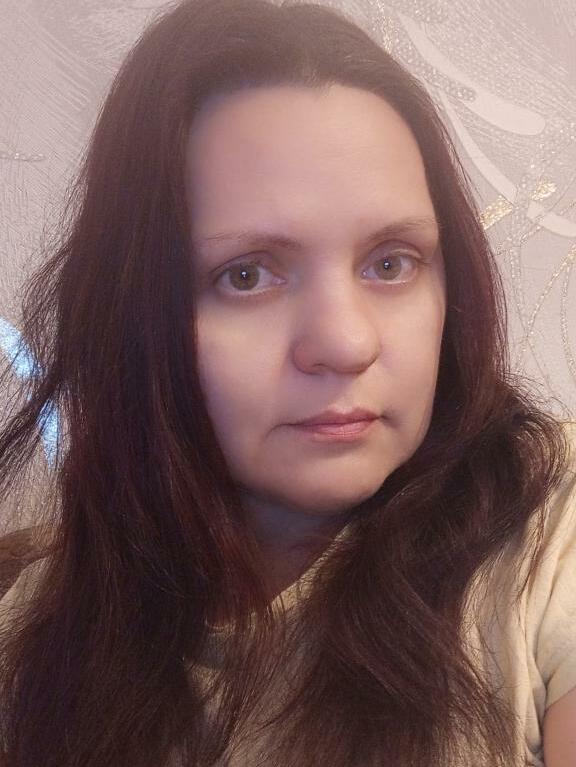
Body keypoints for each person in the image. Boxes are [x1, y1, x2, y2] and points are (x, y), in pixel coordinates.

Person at [0, 1, 574, 765]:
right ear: (132, 313)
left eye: (391, 262)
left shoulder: (547, 532)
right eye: (246, 275)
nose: (346, 342)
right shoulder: (37, 639)